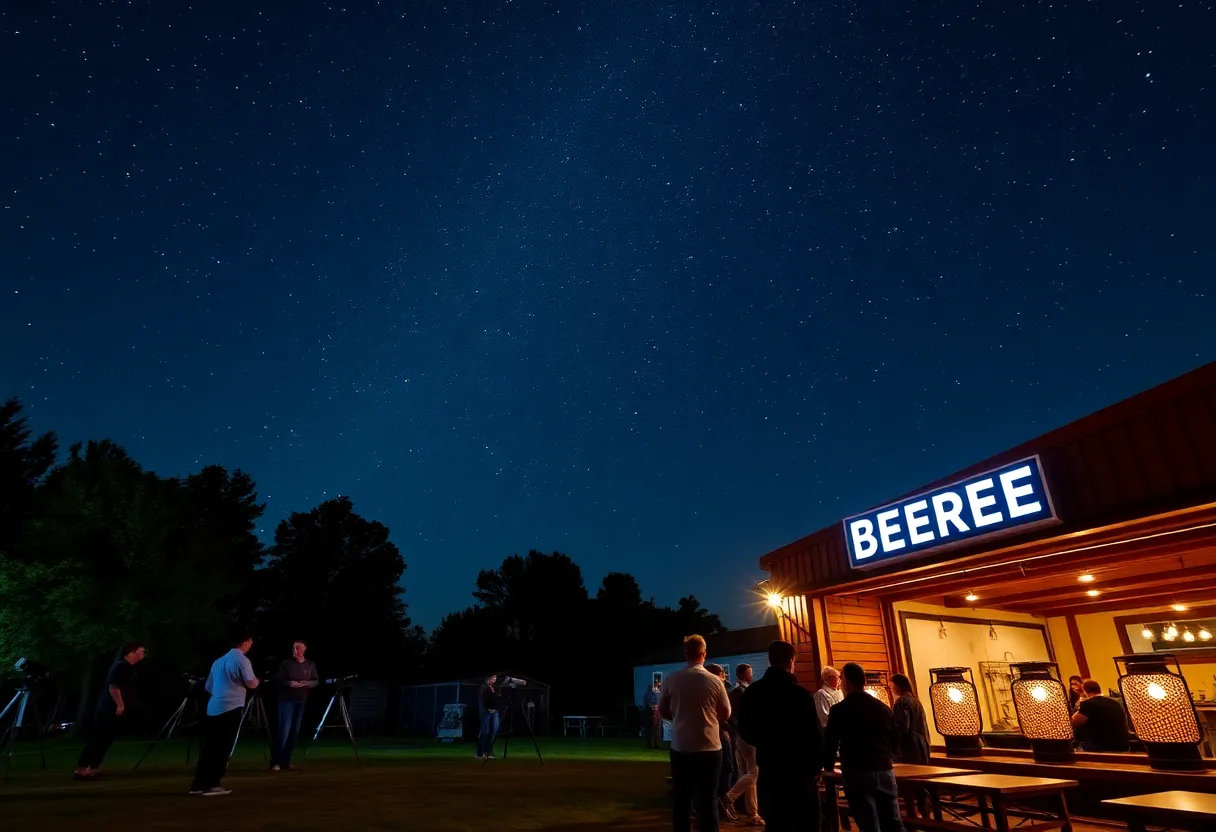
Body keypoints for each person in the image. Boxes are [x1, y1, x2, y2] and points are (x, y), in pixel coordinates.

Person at [738, 641, 823, 832]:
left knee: (776, 824)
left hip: (770, 770)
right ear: (790, 661)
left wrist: (766, 742)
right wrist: (817, 766)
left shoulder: (754, 692)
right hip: (799, 772)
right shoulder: (801, 695)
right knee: (807, 824)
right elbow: (815, 735)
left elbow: (744, 729)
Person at [659, 634, 731, 832]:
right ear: (704, 654)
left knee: (682, 800)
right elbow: (725, 713)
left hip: (681, 746)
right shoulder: (715, 681)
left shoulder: (672, 679)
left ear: (685, 653)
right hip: (709, 747)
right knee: (708, 800)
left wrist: (678, 717)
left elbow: (662, 709)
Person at [823, 663, 906, 832]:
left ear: (847, 682)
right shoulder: (882, 707)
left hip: (857, 770)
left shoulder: (839, 710)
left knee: (868, 822)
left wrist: (828, 767)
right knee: (893, 820)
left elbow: (830, 742)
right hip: (884, 769)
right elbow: (895, 739)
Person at [191, 634, 259, 797]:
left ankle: (199, 784)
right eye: (250, 641)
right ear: (245, 642)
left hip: (214, 706)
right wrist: (257, 681)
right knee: (222, 747)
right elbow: (250, 683)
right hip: (231, 706)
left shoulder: (218, 661)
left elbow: (209, 686)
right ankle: (212, 783)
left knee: (210, 747)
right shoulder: (242, 660)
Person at [74, 642, 146, 779]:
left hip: (115, 710)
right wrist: (120, 704)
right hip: (108, 710)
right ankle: (82, 768)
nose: (143, 654)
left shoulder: (130, 669)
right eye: (141, 651)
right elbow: (113, 687)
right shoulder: (121, 667)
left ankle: (93, 767)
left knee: (106, 739)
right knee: (98, 738)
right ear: (131, 652)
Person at [270, 640, 318, 771]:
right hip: (286, 700)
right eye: (294, 648)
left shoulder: (310, 664)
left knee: (294, 731)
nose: (295, 650)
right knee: (284, 730)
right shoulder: (286, 664)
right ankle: (276, 761)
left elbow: (315, 681)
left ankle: (286, 760)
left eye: (298, 648)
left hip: (301, 700)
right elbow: (278, 679)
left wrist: (307, 683)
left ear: (304, 649)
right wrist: (290, 684)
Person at [725, 663, 762, 826]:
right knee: (753, 773)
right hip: (747, 736)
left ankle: (752, 813)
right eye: (749, 672)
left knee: (748, 774)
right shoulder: (741, 692)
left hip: (740, 736)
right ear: (742, 674)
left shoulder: (737, 691)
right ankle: (728, 797)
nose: (751, 674)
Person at [890, 673, 930, 817]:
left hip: (909, 747)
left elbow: (902, 726)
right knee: (921, 783)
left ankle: (914, 815)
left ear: (897, 685)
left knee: (909, 781)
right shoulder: (916, 701)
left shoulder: (902, 702)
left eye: (892, 685)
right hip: (922, 745)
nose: (892, 689)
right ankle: (925, 813)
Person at [706, 663, 737, 821]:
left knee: (727, 766)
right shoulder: (714, 689)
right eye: (722, 673)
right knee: (726, 766)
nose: (725, 676)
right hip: (717, 731)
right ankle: (722, 801)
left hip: (721, 731)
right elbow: (723, 713)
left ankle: (723, 802)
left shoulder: (721, 688)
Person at [1071, 678, 1130, 752]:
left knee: (1075, 748)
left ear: (1085, 691)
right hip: (1122, 745)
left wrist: (1081, 697)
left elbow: (1074, 722)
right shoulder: (1115, 702)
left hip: (1102, 747)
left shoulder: (1089, 704)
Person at [477, 675, 500, 759]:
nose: (494, 679)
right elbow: (484, 701)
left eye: (495, 678)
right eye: (492, 677)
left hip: (495, 711)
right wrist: (488, 708)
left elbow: (498, 699)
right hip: (486, 711)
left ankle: (489, 752)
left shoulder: (495, 687)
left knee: (494, 729)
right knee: (485, 730)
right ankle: (480, 752)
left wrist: (496, 708)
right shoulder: (484, 688)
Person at [644, 680, 663, 749]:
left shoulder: (655, 694)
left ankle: (654, 745)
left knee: (655, 731)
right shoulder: (649, 695)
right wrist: (653, 707)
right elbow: (648, 704)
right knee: (652, 730)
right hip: (652, 715)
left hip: (656, 715)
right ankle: (652, 745)